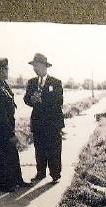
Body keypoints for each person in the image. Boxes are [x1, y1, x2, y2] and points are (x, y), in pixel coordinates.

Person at [0, 58, 31, 192]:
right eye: (6, 69)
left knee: (12, 154)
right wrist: (10, 133)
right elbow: (0, 115)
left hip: (6, 126)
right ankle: (4, 185)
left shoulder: (2, 84)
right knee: (2, 157)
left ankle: (18, 181)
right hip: (0, 130)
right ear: (1, 70)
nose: (8, 71)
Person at [24, 53, 64, 184]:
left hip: (53, 122)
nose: (34, 68)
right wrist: (31, 99)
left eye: (36, 66)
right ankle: (40, 173)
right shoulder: (31, 82)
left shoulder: (56, 82)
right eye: (33, 66)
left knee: (54, 149)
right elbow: (26, 99)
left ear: (43, 66)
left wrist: (42, 99)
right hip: (38, 122)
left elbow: (59, 101)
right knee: (39, 149)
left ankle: (55, 174)